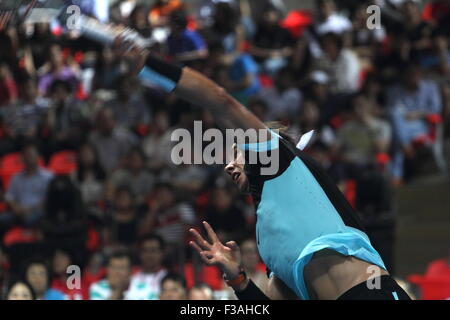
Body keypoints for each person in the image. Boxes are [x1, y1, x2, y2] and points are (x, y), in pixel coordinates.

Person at [115, 37, 411, 300]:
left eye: (236, 152)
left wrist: (149, 65)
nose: (228, 164)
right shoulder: (266, 235)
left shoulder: (280, 164)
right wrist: (238, 278)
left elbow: (220, 101)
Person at [129, 234, 168, 300]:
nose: (149, 255)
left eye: (153, 250)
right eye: (145, 251)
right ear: (139, 253)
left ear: (162, 253)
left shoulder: (168, 277)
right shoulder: (130, 278)